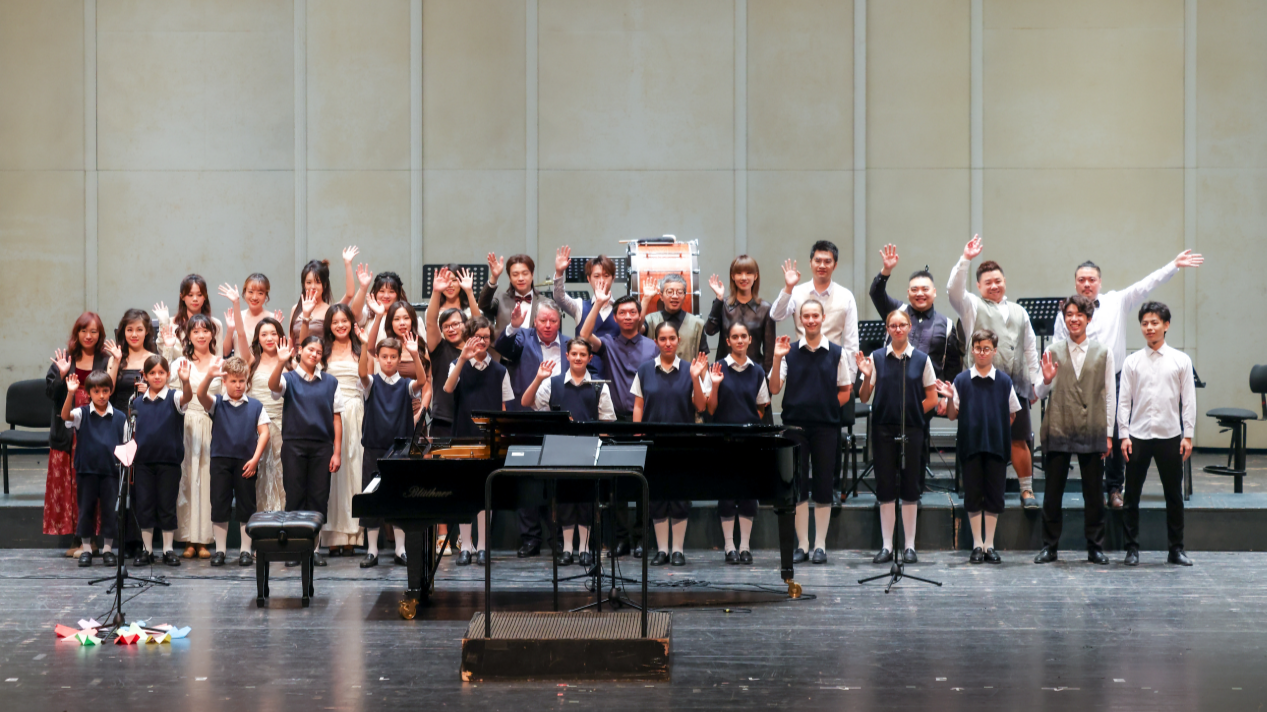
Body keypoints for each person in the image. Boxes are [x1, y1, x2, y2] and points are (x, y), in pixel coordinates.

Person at [1054, 251, 1205, 510]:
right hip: (1080, 382)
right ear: (1075, 283)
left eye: (1091, 279)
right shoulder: (1068, 313)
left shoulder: (1117, 300)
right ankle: (1092, 490)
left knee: (1115, 430)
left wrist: (1173, 265)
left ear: (1100, 282)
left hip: (1114, 378)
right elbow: (1059, 345)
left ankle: (1114, 488)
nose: (1087, 284)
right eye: (1081, 280)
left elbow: (1147, 284)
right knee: (1086, 436)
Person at [947, 235, 1042, 509]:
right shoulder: (971, 307)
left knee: (1019, 439)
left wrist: (1034, 382)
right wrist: (965, 259)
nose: (994, 286)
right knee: (979, 439)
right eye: (988, 282)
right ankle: (977, 491)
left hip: (1015, 385)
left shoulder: (1020, 311)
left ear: (1004, 281)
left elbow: (1029, 349)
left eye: (998, 280)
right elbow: (953, 290)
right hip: (980, 387)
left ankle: (1026, 490)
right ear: (978, 286)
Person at [1032, 295, 1115, 566]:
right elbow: (1038, 392)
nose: (1074, 318)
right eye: (1069, 314)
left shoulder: (1104, 352)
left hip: (1092, 427)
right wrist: (1045, 379)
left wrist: (1110, 432)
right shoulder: (1052, 350)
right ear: (1064, 318)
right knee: (1053, 492)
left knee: (1094, 493)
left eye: (1079, 314)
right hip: (1059, 424)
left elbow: (1111, 394)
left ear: (1088, 319)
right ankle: (1049, 546)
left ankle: (1095, 547)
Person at [769, 300, 852, 565]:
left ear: (823, 317)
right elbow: (773, 389)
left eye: (815, 315)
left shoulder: (837, 353)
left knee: (824, 485)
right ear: (800, 319)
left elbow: (845, 391)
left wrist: (823, 404)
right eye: (806, 316)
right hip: (795, 427)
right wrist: (776, 357)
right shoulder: (788, 352)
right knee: (799, 486)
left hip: (826, 427)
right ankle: (803, 545)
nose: (811, 320)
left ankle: (820, 545)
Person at [521, 339, 617, 567]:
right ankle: (567, 549)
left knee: (586, 501)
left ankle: (584, 549)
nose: (578, 358)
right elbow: (526, 402)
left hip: (588, 451)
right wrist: (538, 378)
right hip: (561, 450)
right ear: (567, 356)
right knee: (564, 501)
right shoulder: (552, 383)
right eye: (574, 353)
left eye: (583, 355)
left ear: (589, 358)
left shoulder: (598, 386)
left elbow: (608, 421)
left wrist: (599, 450)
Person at [579, 290, 660, 557]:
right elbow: (583, 335)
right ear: (615, 317)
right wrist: (599, 303)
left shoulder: (652, 346)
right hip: (615, 422)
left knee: (644, 482)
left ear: (640, 316)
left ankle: (641, 539)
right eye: (622, 313)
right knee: (616, 485)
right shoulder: (608, 343)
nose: (627, 316)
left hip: (645, 420)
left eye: (632, 312)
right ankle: (622, 539)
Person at [856, 309, 939, 565]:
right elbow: (863, 397)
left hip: (912, 429)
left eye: (902, 324)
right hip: (883, 428)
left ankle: (910, 546)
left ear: (909, 327)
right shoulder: (876, 358)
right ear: (887, 329)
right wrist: (867, 376)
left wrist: (911, 412)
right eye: (893, 325)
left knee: (910, 486)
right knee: (886, 486)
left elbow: (933, 398)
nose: (898, 329)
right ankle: (887, 545)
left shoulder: (922, 359)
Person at [1118, 301, 1196, 567]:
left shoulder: (1181, 360)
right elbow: (1124, 401)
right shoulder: (1132, 361)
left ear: (1166, 325)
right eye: (1144, 323)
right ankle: (1131, 549)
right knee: (1131, 497)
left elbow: (1189, 400)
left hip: (1170, 435)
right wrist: (1123, 434)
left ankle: (1176, 550)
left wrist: (1188, 434)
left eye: (1154, 323)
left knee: (1174, 496)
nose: (1149, 328)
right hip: (1138, 436)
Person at [937, 329, 1021, 564]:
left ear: (994, 351)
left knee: (994, 495)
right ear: (972, 350)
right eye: (977, 348)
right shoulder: (961, 380)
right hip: (971, 444)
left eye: (986, 349)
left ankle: (989, 545)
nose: (982, 353)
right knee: (973, 494)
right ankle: (976, 544)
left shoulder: (1004, 381)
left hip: (996, 445)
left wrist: (996, 428)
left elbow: (1012, 414)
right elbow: (953, 415)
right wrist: (950, 397)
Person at [632, 324, 710, 566]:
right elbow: (638, 405)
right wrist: (637, 435)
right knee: (656, 497)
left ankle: (678, 550)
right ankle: (662, 550)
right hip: (653, 442)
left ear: (678, 340)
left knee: (679, 496)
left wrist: (696, 378)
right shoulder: (645, 370)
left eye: (672, 338)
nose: (667, 343)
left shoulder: (690, 368)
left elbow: (701, 406)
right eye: (662, 339)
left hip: (682, 442)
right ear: (655, 341)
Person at [495, 299, 566, 557]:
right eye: (543, 320)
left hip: (559, 422)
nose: (548, 325)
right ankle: (530, 539)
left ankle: (559, 539)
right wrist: (513, 326)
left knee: (557, 483)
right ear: (534, 321)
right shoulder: (522, 337)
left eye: (553, 321)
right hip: (526, 418)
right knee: (526, 481)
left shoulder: (569, 344)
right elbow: (502, 347)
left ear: (560, 322)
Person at [442, 316, 514, 566]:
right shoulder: (457, 363)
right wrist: (463, 357)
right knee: (464, 493)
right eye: (477, 337)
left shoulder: (500, 370)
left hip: (490, 440)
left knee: (486, 493)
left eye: (485, 337)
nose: (481, 341)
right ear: (468, 338)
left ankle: (483, 546)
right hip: (462, 436)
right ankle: (466, 545)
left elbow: (504, 407)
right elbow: (448, 389)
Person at [269, 335, 344, 568]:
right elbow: (273, 388)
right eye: (311, 349)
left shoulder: (330, 382)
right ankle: (295, 549)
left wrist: (337, 451)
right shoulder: (288, 378)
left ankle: (313, 549)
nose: (314, 354)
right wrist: (280, 362)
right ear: (300, 351)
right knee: (295, 496)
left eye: (319, 352)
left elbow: (336, 417)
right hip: (294, 444)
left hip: (322, 446)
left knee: (319, 498)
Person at [356, 332, 427, 568]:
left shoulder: (406, 385)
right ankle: (372, 550)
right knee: (371, 497)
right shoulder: (371, 382)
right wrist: (365, 344)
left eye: (393, 357)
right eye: (384, 356)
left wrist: (415, 354)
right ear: (378, 358)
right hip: (374, 448)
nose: (388, 360)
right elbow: (362, 373)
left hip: (400, 450)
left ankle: (400, 549)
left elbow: (422, 381)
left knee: (401, 497)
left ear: (399, 359)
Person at [46, 313, 113, 556]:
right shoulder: (65, 359)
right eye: (84, 330)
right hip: (67, 434)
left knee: (91, 485)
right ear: (77, 333)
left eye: (94, 331)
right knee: (71, 485)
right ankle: (77, 539)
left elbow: (111, 391)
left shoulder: (105, 360)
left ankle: (91, 540)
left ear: (99, 335)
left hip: (95, 432)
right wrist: (62, 375)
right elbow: (50, 393)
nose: (88, 335)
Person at [705, 323, 770, 564]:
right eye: (735, 336)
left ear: (750, 340)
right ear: (728, 340)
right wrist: (715, 384)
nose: (740, 340)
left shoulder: (758, 371)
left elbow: (762, 406)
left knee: (748, 494)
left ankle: (745, 546)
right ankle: (729, 546)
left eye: (744, 336)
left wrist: (748, 422)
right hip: (724, 439)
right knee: (727, 493)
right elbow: (710, 409)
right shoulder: (717, 367)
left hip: (750, 441)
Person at [197, 356, 270, 567]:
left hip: (246, 462)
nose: (238, 385)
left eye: (242, 381)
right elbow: (200, 394)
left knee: (247, 506)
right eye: (233, 381)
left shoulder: (255, 406)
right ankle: (220, 550)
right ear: (225, 382)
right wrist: (209, 376)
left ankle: (245, 550)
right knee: (220, 504)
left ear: (247, 381)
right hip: (221, 460)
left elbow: (264, 432)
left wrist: (255, 459)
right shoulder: (217, 403)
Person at [164, 314, 220, 559]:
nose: (201, 335)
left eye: (205, 330)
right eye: (195, 331)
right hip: (185, 425)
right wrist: (167, 350)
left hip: (210, 424)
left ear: (212, 334)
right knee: (186, 481)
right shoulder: (180, 363)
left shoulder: (220, 363)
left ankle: (204, 539)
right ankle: (187, 538)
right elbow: (168, 391)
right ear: (188, 335)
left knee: (206, 482)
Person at [61, 370, 127, 567]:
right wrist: (71, 393)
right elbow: (65, 416)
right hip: (87, 470)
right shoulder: (82, 413)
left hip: (111, 471)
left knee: (109, 511)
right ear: (89, 392)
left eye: (105, 391)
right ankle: (87, 548)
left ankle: (107, 550)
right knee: (86, 510)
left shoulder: (120, 417)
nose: (101, 395)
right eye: (96, 391)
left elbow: (125, 444)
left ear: (110, 391)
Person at [131, 355, 192, 567]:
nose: (157, 376)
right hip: (144, 463)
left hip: (169, 462)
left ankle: (167, 549)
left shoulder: (174, 397)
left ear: (167, 374)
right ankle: (147, 550)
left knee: (167, 505)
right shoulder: (137, 402)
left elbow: (187, 397)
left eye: (161, 372)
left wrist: (185, 381)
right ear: (145, 376)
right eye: (152, 373)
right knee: (145, 505)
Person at [319, 304, 369, 558]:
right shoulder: (323, 351)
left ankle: (352, 535)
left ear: (351, 322)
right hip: (329, 415)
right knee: (332, 476)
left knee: (353, 472)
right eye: (335, 321)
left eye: (345, 320)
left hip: (357, 413)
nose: (340, 325)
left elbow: (368, 379)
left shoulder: (361, 347)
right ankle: (332, 537)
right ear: (329, 325)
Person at [770, 240, 860, 360]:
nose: (822, 265)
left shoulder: (846, 296)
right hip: (801, 361)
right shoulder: (797, 292)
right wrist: (788, 288)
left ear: (835, 265)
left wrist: (851, 377)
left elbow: (852, 342)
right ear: (810, 263)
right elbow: (776, 315)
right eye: (817, 261)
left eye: (827, 261)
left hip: (833, 363)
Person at [235, 316, 288, 513]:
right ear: (257, 338)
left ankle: (281, 522)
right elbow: (240, 334)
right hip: (256, 427)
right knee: (258, 477)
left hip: (283, 425)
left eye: (273, 333)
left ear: (280, 336)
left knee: (281, 476)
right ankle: (260, 526)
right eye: (264, 334)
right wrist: (236, 304)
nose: (269, 338)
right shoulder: (251, 361)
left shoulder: (289, 362)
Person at [551, 247, 620, 377]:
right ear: (589, 279)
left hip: (613, 372)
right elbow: (559, 298)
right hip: (582, 373)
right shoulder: (580, 306)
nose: (601, 280)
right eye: (597, 276)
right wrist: (559, 273)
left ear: (613, 278)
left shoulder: (621, 310)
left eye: (606, 276)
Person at [704, 255, 777, 375]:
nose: (744, 278)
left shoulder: (766, 309)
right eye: (739, 273)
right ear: (733, 276)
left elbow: (769, 352)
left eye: (748, 273)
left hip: (754, 374)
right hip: (724, 373)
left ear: (756, 276)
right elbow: (709, 330)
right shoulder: (723, 304)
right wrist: (719, 299)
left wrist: (766, 383)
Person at [154, 274, 225, 357]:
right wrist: (163, 324)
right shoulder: (171, 324)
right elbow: (163, 355)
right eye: (190, 295)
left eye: (199, 295)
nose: (195, 299)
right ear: (182, 297)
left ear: (205, 296)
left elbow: (218, 356)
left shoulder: (215, 324)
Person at [642, 274, 709, 360]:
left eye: (680, 292)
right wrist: (646, 298)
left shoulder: (697, 324)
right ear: (661, 296)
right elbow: (635, 330)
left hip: (688, 373)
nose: (675, 296)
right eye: (669, 292)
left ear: (685, 296)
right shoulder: (650, 320)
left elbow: (703, 358)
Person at [479, 253, 543, 336]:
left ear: (532, 274)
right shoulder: (501, 298)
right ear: (510, 277)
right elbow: (483, 305)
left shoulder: (544, 302)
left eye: (525, 273)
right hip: (502, 348)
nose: (520, 278)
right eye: (515, 275)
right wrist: (494, 277)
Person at [219, 276, 284, 357]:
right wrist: (230, 330)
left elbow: (279, 352)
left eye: (260, 293)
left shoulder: (273, 319)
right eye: (250, 292)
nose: (254, 297)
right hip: (238, 368)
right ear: (244, 293)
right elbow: (225, 352)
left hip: (263, 368)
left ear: (266, 296)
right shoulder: (237, 317)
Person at [109, 309, 159, 411]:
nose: (134, 335)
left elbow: (166, 394)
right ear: (124, 331)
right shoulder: (114, 358)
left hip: (147, 416)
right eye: (130, 330)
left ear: (147, 331)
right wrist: (116, 361)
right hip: (119, 418)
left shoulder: (155, 359)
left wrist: (151, 391)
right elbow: (107, 390)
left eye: (139, 330)